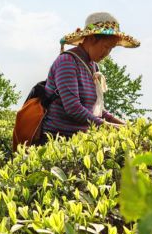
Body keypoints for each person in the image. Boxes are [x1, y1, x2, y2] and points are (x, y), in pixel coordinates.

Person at [40, 12, 140, 142]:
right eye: (105, 47)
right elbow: (73, 108)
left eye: (111, 49)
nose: (107, 54)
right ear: (92, 38)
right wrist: (110, 127)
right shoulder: (67, 62)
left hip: (80, 141)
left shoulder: (93, 66)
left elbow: (96, 110)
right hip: (56, 141)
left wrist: (124, 125)